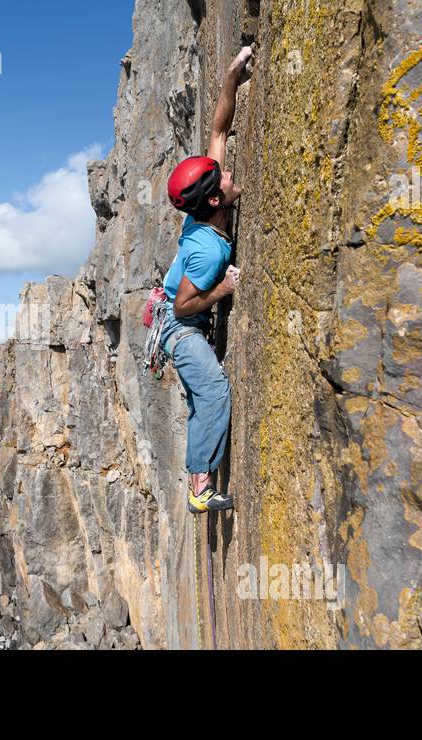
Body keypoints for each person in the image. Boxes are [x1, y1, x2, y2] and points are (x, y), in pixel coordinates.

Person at [158, 45, 252, 514]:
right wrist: (224, 290)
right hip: (179, 326)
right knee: (213, 389)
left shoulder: (206, 207)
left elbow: (219, 128)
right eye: (225, 179)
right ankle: (200, 488)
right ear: (215, 201)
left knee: (203, 394)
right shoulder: (206, 248)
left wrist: (231, 77)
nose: (230, 173)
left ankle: (202, 468)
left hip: (178, 312)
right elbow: (182, 307)